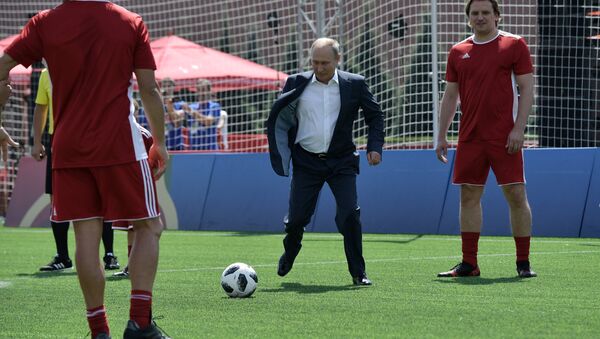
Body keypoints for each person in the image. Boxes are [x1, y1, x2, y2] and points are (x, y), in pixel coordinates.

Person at [0, 1, 170, 338]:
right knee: (150, 225)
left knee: (86, 241)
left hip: (68, 149)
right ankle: (139, 322)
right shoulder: (129, 21)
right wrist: (161, 142)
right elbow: (149, 88)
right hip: (119, 144)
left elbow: (2, 66)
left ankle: (99, 331)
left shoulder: (44, 23)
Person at [266, 37, 384, 286]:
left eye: (325, 63)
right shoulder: (295, 83)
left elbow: (375, 116)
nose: (319, 68)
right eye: (315, 62)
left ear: (338, 60)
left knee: (350, 214)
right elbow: (281, 115)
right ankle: (291, 251)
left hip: (342, 161)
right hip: (306, 161)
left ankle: (358, 272)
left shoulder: (355, 84)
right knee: (297, 219)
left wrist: (375, 147)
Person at [435, 0, 536, 278]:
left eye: (485, 13)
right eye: (475, 13)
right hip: (470, 138)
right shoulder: (458, 51)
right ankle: (469, 263)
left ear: (497, 16)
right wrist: (441, 135)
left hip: (505, 137)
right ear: (468, 18)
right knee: (468, 194)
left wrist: (518, 129)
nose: (480, 17)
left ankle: (523, 263)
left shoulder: (515, 45)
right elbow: (451, 96)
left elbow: (527, 88)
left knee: (516, 194)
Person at [32, 67, 120, 272]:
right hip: (59, 141)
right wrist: (37, 141)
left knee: (101, 197)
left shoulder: (86, 65)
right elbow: (41, 107)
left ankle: (109, 254)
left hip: (92, 138)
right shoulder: (46, 74)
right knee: (56, 198)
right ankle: (63, 256)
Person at [182, 79, 221, 150]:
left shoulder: (215, 106)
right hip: (194, 150)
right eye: (199, 90)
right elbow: (177, 119)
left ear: (209, 91)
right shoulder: (191, 107)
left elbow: (208, 121)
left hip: (210, 150)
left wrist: (192, 112)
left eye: (203, 90)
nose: (201, 93)